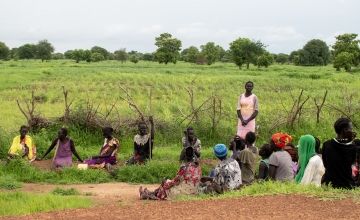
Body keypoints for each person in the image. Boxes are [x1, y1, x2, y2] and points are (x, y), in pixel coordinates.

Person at [322, 118, 360, 189]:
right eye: (351, 129)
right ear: (345, 130)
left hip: (329, 184)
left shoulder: (326, 145)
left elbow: (326, 164)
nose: (352, 131)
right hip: (347, 185)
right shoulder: (353, 148)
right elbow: (350, 163)